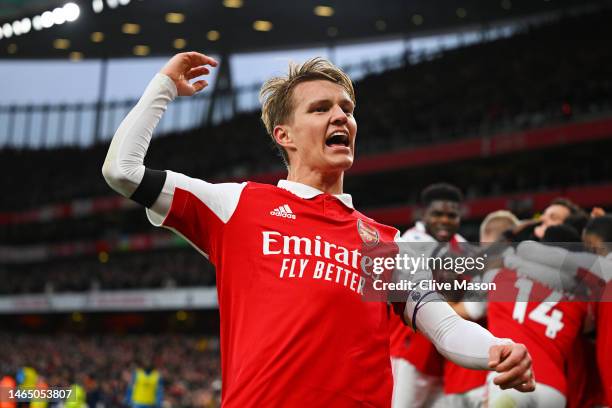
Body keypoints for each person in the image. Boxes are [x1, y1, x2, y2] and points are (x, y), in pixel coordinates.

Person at [102, 51, 534, 407]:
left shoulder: (384, 243)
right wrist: (162, 86)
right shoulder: (238, 205)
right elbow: (122, 171)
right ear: (284, 134)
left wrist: (495, 348)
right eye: (321, 108)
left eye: (347, 108)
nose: (341, 117)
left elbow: (444, 327)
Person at [391, 183, 467, 408]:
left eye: (451, 215)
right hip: (409, 352)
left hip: (443, 357)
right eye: (437, 214)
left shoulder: (461, 245)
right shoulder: (410, 241)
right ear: (423, 215)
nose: (444, 220)